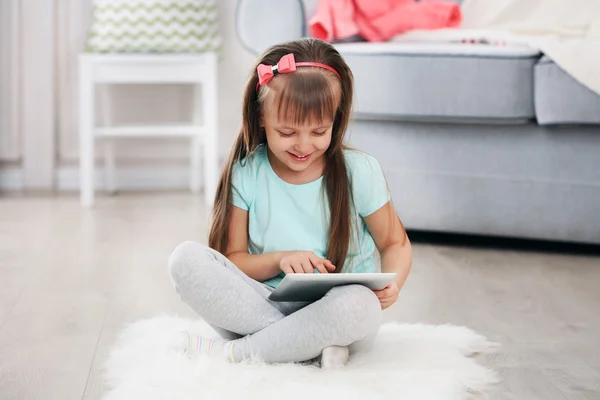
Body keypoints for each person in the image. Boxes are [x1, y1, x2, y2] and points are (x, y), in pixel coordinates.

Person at [168, 38, 412, 369]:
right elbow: (234, 259)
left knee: (358, 305)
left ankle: (236, 353)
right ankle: (305, 346)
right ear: (261, 117)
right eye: (287, 132)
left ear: (335, 121)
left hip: (336, 308)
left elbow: (395, 243)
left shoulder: (360, 171)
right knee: (184, 259)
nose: (302, 145)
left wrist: (392, 284)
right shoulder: (248, 170)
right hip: (263, 302)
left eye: (319, 131)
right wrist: (281, 260)